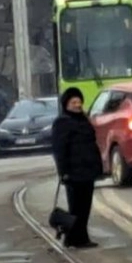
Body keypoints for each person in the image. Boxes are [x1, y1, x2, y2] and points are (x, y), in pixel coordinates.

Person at [52, 87, 102, 249]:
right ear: (66, 104)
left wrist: (98, 167)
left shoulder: (84, 120)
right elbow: (59, 150)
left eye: (79, 101)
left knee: (85, 207)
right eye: (74, 102)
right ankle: (74, 238)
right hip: (73, 173)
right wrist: (63, 172)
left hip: (88, 170)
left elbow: (92, 144)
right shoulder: (62, 122)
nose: (77, 105)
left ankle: (79, 238)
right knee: (76, 208)